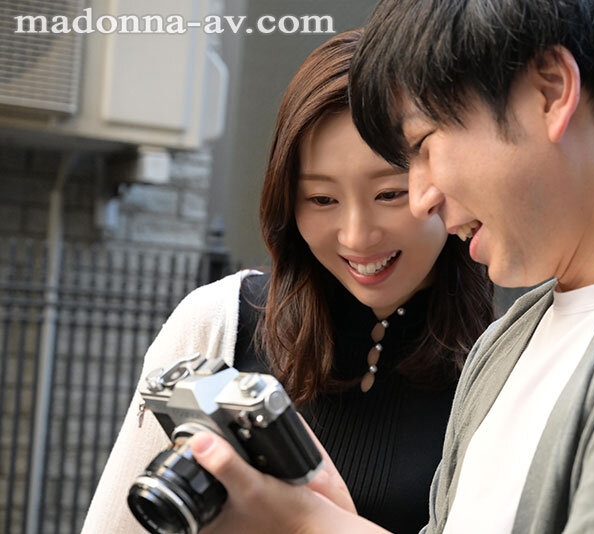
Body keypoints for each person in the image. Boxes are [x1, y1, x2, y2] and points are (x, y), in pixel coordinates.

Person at [184, 0, 594, 532]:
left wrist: (307, 524)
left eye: (423, 145)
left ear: (550, 91)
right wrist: (321, 515)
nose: (421, 197)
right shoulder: (512, 337)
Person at [80, 29, 494, 534]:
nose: (356, 236)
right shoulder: (218, 323)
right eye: (322, 199)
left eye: (389, 193)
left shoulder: (501, 365)